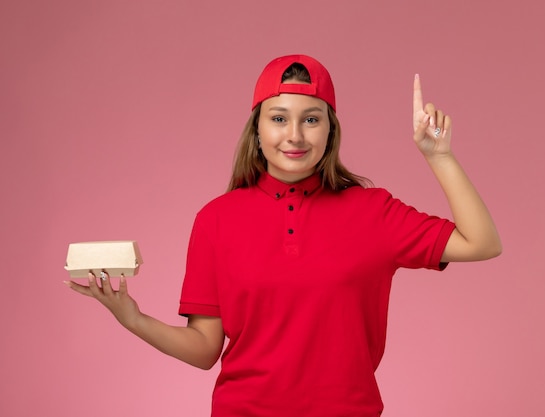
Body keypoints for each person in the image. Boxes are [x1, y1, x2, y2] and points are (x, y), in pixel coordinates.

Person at [65, 54, 502, 416]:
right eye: (279, 118)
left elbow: (481, 243)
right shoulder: (216, 219)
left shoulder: (373, 211)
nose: (294, 136)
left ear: (330, 129)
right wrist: (133, 318)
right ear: (257, 129)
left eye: (311, 120)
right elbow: (204, 350)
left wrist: (439, 156)